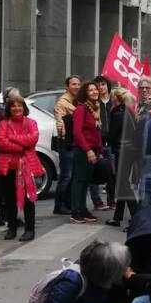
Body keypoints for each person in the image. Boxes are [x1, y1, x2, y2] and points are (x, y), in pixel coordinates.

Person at [0, 90, 43, 241]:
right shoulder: (3, 123)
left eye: (19, 105)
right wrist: (21, 147)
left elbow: (32, 139)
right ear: (9, 108)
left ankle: (30, 230)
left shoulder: (31, 123)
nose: (16, 108)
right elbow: (0, 142)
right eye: (13, 106)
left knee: (29, 200)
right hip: (9, 167)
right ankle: (12, 228)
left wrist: (12, 138)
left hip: (27, 166)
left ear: (24, 107)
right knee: (9, 200)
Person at [70, 81, 104, 223]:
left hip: (93, 150)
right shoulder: (81, 109)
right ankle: (75, 211)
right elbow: (77, 133)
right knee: (79, 181)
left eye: (95, 89)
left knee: (86, 182)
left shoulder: (94, 109)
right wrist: (88, 150)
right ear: (85, 93)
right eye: (91, 90)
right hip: (83, 151)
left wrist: (100, 151)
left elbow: (96, 133)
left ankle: (83, 209)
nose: (95, 92)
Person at [105, 88, 139, 228]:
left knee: (123, 185)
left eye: (112, 96)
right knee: (122, 183)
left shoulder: (118, 114)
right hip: (130, 151)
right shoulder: (128, 111)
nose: (110, 98)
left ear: (116, 98)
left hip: (123, 151)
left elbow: (112, 135)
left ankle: (137, 217)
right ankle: (117, 217)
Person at [53, 75, 82, 215]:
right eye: (73, 84)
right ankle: (59, 205)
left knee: (73, 175)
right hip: (66, 142)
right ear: (67, 86)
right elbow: (60, 122)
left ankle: (68, 203)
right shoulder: (63, 103)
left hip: (75, 142)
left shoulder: (78, 101)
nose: (77, 86)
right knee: (67, 175)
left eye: (78, 84)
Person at [89, 75, 113, 211]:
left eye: (103, 84)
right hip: (96, 142)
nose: (100, 87)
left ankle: (111, 199)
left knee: (111, 171)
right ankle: (97, 201)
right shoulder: (93, 103)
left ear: (107, 85)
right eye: (97, 85)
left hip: (111, 141)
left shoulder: (114, 101)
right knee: (96, 171)